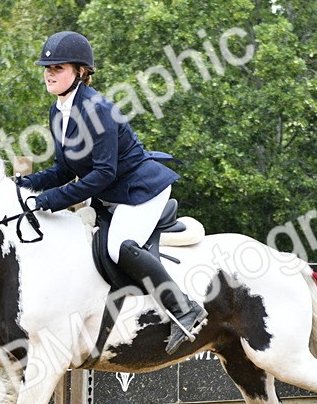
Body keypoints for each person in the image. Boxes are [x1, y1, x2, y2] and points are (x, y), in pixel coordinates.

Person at [16, 31, 206, 354]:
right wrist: (24, 186)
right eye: (46, 67)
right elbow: (64, 170)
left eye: (58, 67)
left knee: (119, 246)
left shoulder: (98, 109)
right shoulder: (57, 112)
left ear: (79, 72)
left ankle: (185, 309)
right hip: (110, 193)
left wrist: (48, 200)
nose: (49, 73)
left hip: (140, 189)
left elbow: (105, 172)